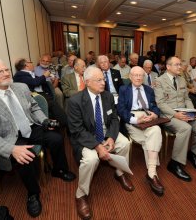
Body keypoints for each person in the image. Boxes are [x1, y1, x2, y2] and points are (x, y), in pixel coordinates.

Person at [0, 57, 75, 218]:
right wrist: (12, 149)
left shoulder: (20, 87)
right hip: (9, 138)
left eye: (6, 69)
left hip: (31, 127)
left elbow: (34, 107)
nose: (5, 73)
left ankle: (59, 170)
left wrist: (44, 121)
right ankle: (33, 194)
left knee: (57, 138)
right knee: (25, 157)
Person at [67, 67, 133, 220]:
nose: (103, 83)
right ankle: (81, 195)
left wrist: (110, 137)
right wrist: (97, 146)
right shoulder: (75, 101)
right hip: (86, 137)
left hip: (105, 133)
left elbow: (115, 119)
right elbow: (76, 130)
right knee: (91, 159)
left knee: (124, 143)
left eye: (103, 79)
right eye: (99, 80)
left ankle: (119, 172)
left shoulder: (108, 96)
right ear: (87, 82)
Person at [154, 57, 196, 182]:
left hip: (184, 113)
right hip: (168, 116)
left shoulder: (181, 80)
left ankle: (193, 154)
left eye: (180, 64)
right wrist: (175, 114)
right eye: (177, 65)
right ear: (168, 67)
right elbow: (160, 104)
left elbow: (187, 99)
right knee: (185, 128)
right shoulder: (159, 81)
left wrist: (191, 111)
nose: (180, 67)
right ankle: (174, 163)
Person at [117, 66, 164, 196]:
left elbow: (155, 106)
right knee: (151, 137)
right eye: (135, 75)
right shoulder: (123, 89)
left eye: (140, 75)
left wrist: (154, 115)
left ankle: (151, 172)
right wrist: (136, 120)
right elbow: (121, 110)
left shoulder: (149, 90)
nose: (138, 77)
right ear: (130, 77)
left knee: (155, 130)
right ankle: (153, 174)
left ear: (143, 77)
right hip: (132, 118)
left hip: (147, 115)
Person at [13, 58, 68, 129]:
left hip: (42, 94)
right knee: (53, 104)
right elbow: (34, 82)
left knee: (52, 108)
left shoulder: (29, 73)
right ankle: (67, 124)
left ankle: (59, 125)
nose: (32, 63)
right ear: (26, 65)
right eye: (30, 62)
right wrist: (44, 75)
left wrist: (50, 79)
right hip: (34, 97)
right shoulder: (20, 74)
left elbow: (38, 80)